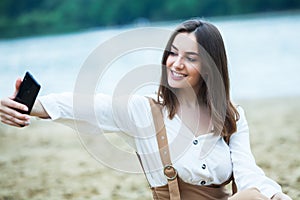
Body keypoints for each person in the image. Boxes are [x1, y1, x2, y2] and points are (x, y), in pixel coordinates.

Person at [0, 19, 292, 200]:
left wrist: (276, 195)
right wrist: (30, 106)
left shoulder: (232, 117)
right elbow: (88, 105)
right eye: (172, 53)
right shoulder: (146, 112)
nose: (176, 64)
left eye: (190, 58)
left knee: (258, 193)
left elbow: (248, 173)